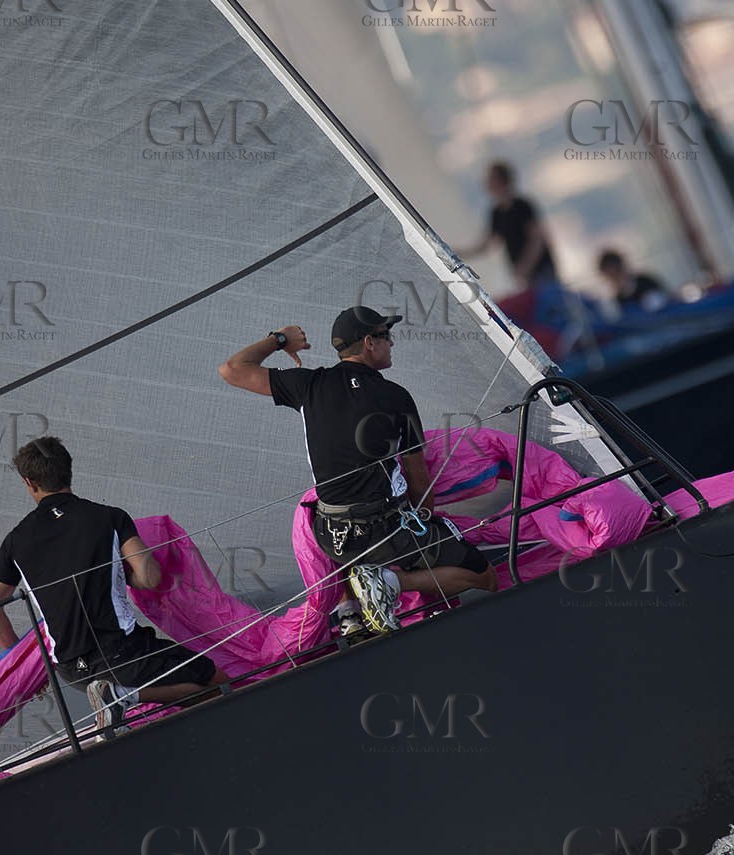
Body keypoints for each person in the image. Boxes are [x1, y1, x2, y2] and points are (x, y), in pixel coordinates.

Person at [218, 307, 497, 635]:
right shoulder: (396, 397)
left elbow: (232, 369)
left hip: (330, 536)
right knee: (484, 576)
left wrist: (279, 340)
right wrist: (424, 523)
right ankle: (391, 581)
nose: (391, 342)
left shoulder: (309, 385)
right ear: (369, 342)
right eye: (386, 336)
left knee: (334, 514)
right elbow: (419, 479)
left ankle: (350, 612)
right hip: (381, 533)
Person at [0, 436, 227, 731]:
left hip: (71, 669)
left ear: (30, 482)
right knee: (220, 684)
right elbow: (150, 577)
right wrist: (127, 571)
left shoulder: (15, 542)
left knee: (188, 695)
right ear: (68, 471)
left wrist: (30, 666)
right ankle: (122, 696)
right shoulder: (108, 517)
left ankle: (122, 698)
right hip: (122, 652)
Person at [457, 159, 558, 288]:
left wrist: (525, 266)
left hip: (543, 272)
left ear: (501, 180)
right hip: (525, 277)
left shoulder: (523, 206)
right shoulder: (496, 213)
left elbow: (537, 239)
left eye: (490, 178)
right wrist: (459, 253)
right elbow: (487, 245)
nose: (486, 183)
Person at [596, 248, 669, 313]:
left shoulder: (645, 283)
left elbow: (663, 308)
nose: (614, 280)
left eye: (615, 274)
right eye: (609, 278)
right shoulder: (619, 299)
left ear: (623, 268)